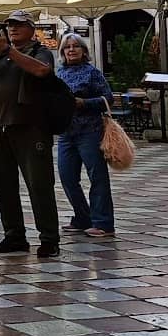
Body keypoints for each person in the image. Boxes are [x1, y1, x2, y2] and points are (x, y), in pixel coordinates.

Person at [0, 10, 60, 258]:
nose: (13, 29)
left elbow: (42, 71)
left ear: (31, 28)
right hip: (0, 127)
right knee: (3, 185)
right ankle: (14, 234)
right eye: (9, 25)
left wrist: (9, 51)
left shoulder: (39, 51)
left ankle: (49, 238)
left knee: (39, 184)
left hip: (30, 126)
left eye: (19, 25)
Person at [54, 33, 116, 240]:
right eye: (67, 47)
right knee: (67, 177)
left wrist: (85, 103)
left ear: (84, 51)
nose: (71, 50)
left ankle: (103, 223)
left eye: (75, 47)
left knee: (97, 177)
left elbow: (108, 98)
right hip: (66, 133)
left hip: (90, 131)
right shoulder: (59, 73)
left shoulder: (92, 73)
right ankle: (83, 216)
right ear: (62, 52)